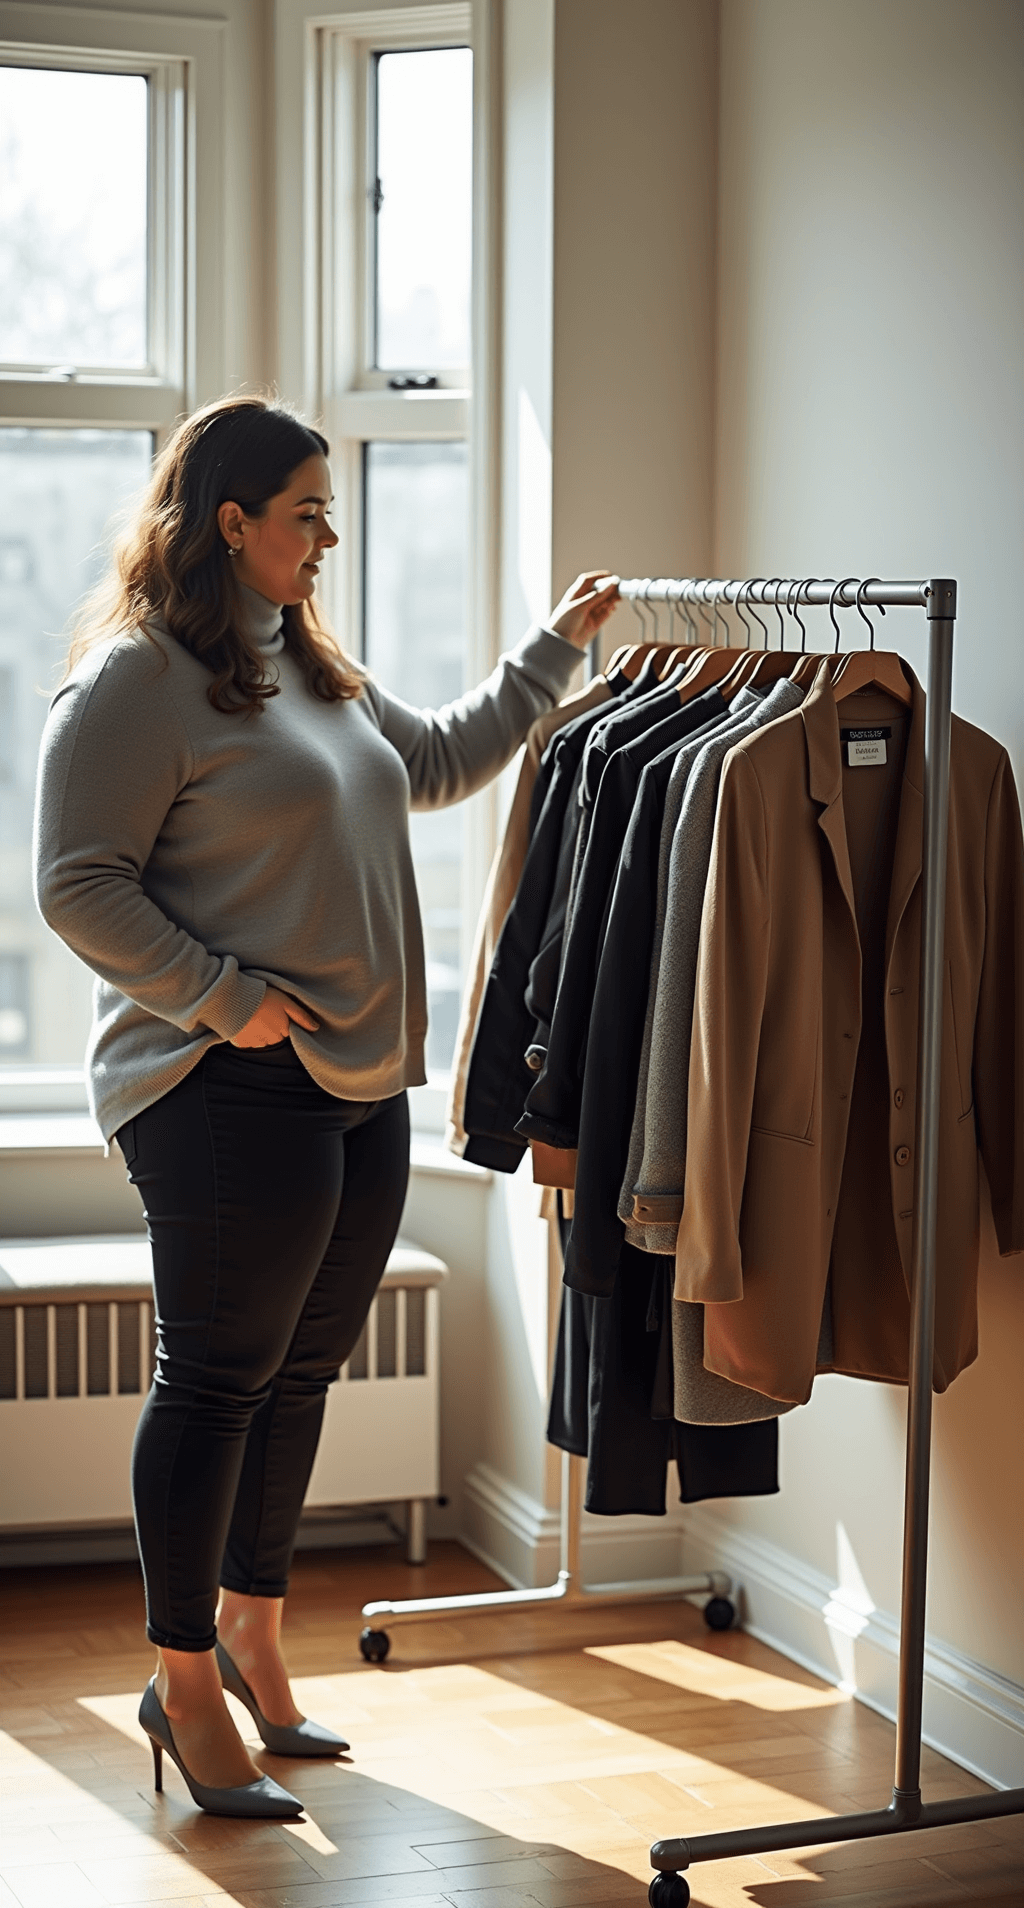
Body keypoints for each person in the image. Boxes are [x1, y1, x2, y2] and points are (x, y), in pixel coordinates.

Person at [33, 393, 618, 1818]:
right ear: (228, 522)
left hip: (356, 1083)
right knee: (215, 1380)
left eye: (330, 510)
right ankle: (179, 1686)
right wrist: (223, 997)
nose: (328, 536)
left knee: (297, 1378)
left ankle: (248, 1635)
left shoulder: (303, 659)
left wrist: (554, 650)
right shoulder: (134, 682)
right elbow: (75, 883)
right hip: (222, 1085)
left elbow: (438, 764)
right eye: (306, 511)